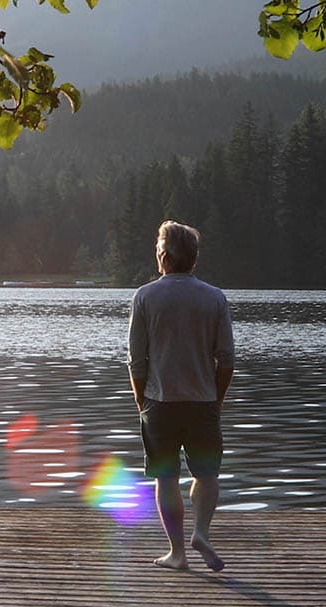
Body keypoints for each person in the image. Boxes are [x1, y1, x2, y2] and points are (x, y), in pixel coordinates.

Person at [127, 220, 234, 572]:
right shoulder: (215, 297)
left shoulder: (145, 296)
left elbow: (136, 360)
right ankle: (201, 532)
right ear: (194, 257)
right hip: (203, 402)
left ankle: (177, 553)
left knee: (166, 478)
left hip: (160, 403)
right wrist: (215, 400)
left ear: (163, 255)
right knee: (207, 475)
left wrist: (141, 400)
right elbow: (227, 360)